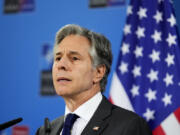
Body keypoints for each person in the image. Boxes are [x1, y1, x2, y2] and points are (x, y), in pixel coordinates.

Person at [36, 24, 152, 135]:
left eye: (74, 58)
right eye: (58, 58)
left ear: (98, 72)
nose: (61, 64)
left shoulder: (129, 126)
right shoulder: (45, 131)